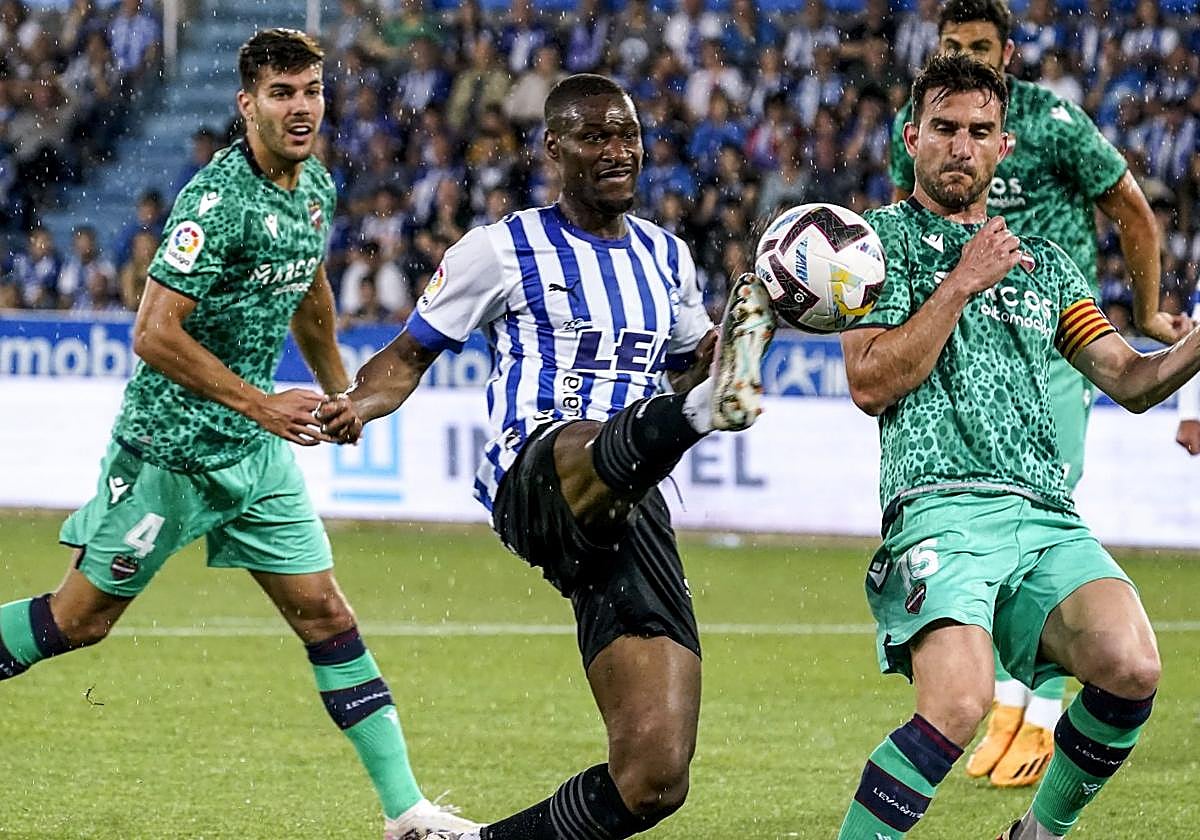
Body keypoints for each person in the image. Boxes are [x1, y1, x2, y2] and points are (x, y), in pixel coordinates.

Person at [0, 29, 477, 840]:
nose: (302, 108)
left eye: (313, 91)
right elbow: (151, 333)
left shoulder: (315, 188)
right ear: (246, 104)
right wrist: (263, 405)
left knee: (326, 614)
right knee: (78, 621)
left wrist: (343, 393)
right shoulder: (215, 202)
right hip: (170, 453)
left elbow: (310, 291)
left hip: (255, 463)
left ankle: (408, 813)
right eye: (283, 94)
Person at [316, 73, 777, 840]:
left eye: (627, 134)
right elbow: (407, 357)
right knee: (596, 435)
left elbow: (700, 356)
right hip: (536, 475)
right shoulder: (499, 250)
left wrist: (756, 329)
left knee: (656, 775)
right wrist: (353, 402)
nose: (617, 150)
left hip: (628, 507)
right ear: (554, 147)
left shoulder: (665, 257)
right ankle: (698, 419)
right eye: (594, 136)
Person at [835, 52, 1200, 839]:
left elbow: (1128, 379)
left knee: (1131, 668)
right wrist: (963, 280)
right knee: (960, 703)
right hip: (938, 509)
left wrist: (1194, 347)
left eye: (980, 131)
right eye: (944, 129)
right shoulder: (874, 246)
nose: (961, 146)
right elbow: (870, 382)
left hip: (1043, 514)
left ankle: (1033, 836)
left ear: (1005, 147)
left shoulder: (1046, 265)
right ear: (910, 139)